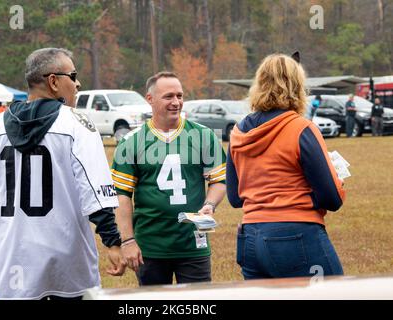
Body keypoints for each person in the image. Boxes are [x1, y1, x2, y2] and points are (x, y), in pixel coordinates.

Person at [0, 48, 126, 300]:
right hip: (68, 265)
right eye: (72, 75)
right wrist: (113, 241)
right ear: (53, 81)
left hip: (12, 263)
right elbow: (95, 190)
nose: (77, 83)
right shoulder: (76, 126)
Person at [226, 53, 346, 280]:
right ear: (297, 85)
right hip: (296, 233)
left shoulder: (237, 133)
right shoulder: (301, 128)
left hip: (250, 238)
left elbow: (234, 198)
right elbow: (332, 199)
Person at [112, 71, 227, 285]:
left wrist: (210, 204)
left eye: (180, 96)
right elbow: (122, 196)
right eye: (169, 96)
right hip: (150, 246)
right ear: (150, 99)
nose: (176, 102)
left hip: (193, 243)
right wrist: (127, 241)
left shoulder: (203, 135)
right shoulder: (131, 141)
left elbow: (218, 181)